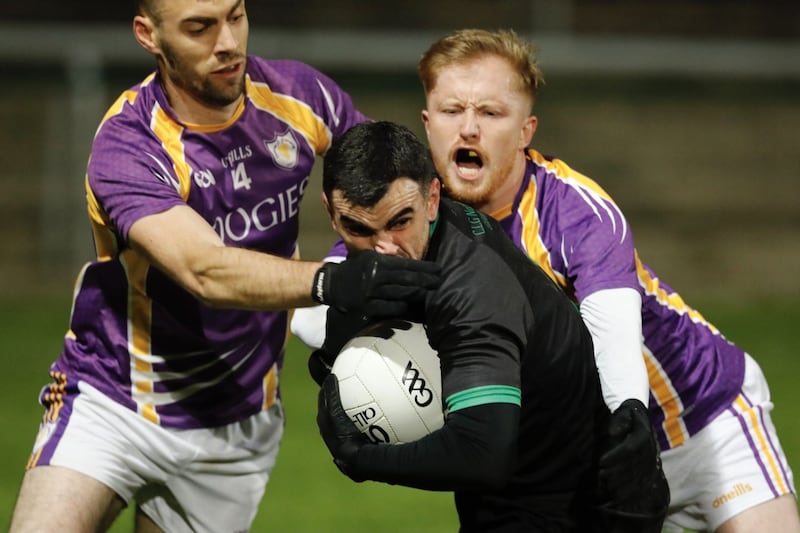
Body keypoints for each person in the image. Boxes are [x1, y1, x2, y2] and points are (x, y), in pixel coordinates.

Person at [293, 28, 800, 532]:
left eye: (490, 113)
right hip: (581, 459)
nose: (469, 129)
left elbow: (613, 333)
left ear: (525, 129)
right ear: (428, 124)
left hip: (699, 417)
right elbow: (322, 305)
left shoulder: (572, 211)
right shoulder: (410, 219)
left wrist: (628, 415)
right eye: (452, 112)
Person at [7, 2, 441, 533]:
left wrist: (366, 256)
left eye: (235, 16)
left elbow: (387, 181)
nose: (228, 42)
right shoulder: (130, 144)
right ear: (149, 34)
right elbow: (204, 270)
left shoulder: (299, 96)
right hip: (115, 399)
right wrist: (332, 281)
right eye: (199, 27)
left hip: (239, 424)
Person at [312, 120, 669, 532]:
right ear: (331, 213)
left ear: (432, 198)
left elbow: (481, 454)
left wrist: (358, 458)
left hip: (582, 510)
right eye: (358, 229)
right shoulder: (412, 246)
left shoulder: (473, 290)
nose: (383, 249)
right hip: (522, 493)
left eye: (398, 221)